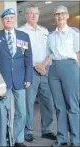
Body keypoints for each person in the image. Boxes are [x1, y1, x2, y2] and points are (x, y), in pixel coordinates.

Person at [0, 8, 33, 147]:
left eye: (12, 18)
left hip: (21, 79)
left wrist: (28, 77)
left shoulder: (23, 36)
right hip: (3, 82)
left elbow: (28, 59)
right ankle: (5, 140)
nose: (9, 20)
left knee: (22, 114)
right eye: (6, 18)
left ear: (15, 19)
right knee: (3, 114)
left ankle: (13, 139)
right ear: (2, 21)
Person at [18, 6, 56, 142]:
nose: (34, 16)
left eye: (36, 14)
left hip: (45, 69)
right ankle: (28, 130)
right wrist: (36, 65)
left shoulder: (44, 31)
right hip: (30, 70)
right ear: (26, 15)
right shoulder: (21, 31)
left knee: (47, 101)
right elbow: (22, 53)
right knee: (28, 102)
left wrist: (43, 65)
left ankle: (47, 130)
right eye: (31, 13)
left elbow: (50, 51)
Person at [47, 5, 79, 147]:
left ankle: (76, 140)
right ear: (55, 17)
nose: (59, 16)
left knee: (73, 105)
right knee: (59, 106)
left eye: (62, 14)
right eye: (57, 14)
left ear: (67, 16)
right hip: (54, 69)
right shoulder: (51, 36)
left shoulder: (74, 34)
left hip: (70, 67)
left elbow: (78, 55)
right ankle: (62, 139)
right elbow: (49, 55)